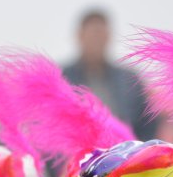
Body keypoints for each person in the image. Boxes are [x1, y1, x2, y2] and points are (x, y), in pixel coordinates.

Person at [62, 9, 154, 141]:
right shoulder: (62, 78)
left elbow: (147, 124)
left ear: (108, 37)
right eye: (92, 35)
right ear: (80, 36)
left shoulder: (129, 79)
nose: (96, 41)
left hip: (125, 153)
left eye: (100, 34)